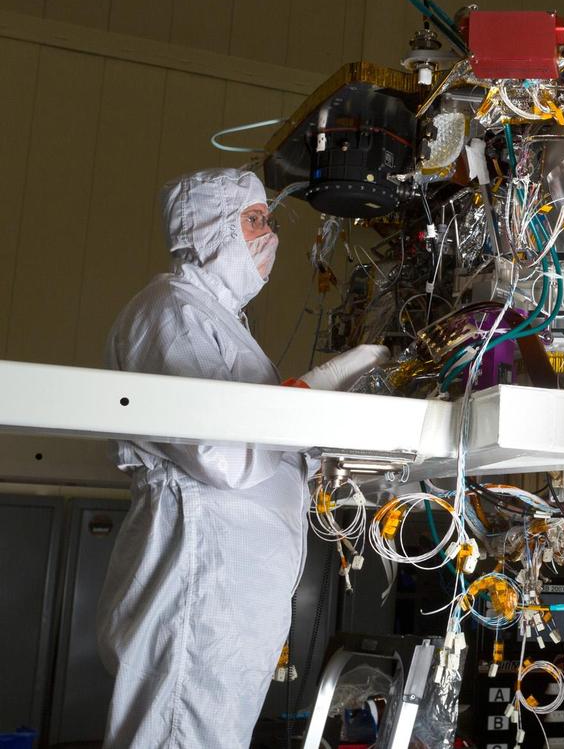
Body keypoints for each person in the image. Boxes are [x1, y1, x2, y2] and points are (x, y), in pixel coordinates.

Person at [97, 169, 388, 748]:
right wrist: (317, 387)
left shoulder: (219, 321)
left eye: (269, 221)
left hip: (226, 600)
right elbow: (221, 452)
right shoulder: (172, 310)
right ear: (205, 228)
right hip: (199, 586)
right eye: (253, 220)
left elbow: (260, 441)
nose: (270, 235)